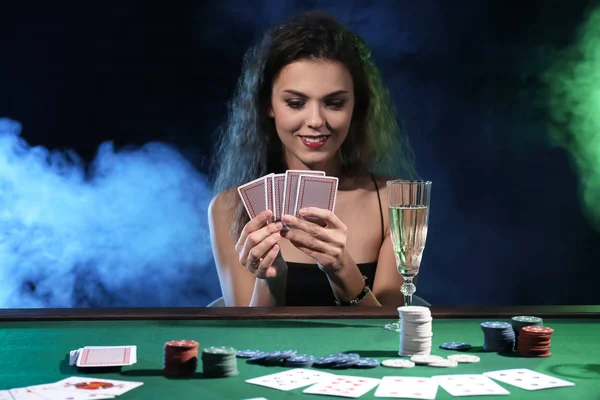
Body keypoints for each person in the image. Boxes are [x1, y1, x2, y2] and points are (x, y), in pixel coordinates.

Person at [208, 11, 416, 307]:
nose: (316, 120)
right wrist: (271, 280)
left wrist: (341, 267)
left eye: (334, 103)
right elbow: (248, 342)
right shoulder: (229, 208)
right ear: (268, 105)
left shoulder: (400, 201)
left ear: (356, 106)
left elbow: (392, 334)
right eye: (296, 103)